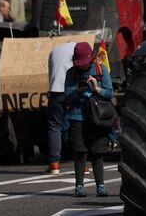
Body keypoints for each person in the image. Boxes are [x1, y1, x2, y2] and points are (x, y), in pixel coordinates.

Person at [63, 42, 113, 197]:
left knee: (98, 153)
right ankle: (79, 186)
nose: (82, 67)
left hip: (97, 117)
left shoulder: (100, 69)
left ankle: (101, 186)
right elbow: (67, 97)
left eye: (84, 63)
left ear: (90, 57)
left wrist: (96, 88)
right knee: (80, 152)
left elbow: (109, 93)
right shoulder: (71, 73)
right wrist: (79, 90)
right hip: (77, 117)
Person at [46, 40, 77, 174]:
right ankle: (81, 163)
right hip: (70, 91)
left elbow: (50, 73)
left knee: (54, 127)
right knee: (76, 124)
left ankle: (54, 163)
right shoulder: (77, 49)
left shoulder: (54, 51)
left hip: (55, 91)